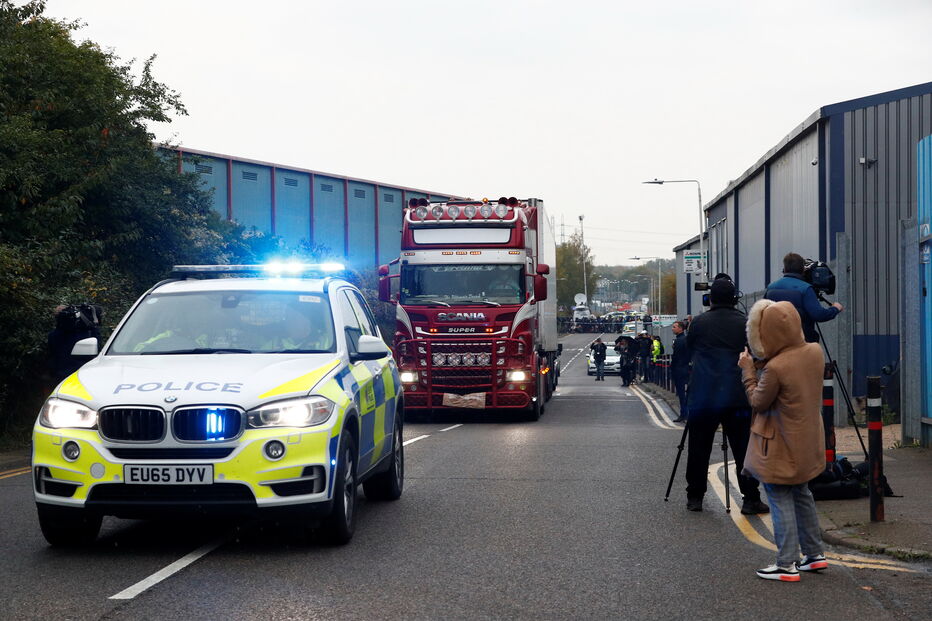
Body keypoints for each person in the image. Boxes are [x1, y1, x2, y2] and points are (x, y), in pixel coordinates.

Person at [738, 299, 828, 581]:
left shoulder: (776, 368)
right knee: (802, 493)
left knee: (778, 497)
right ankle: (814, 555)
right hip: (807, 439)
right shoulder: (814, 352)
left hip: (779, 442)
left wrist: (748, 371)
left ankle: (786, 563)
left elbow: (758, 401)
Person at [684, 275, 768, 515]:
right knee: (743, 449)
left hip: (704, 396)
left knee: (698, 448)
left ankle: (695, 497)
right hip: (736, 396)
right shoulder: (744, 323)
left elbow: (690, 349)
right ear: (734, 298)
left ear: (710, 299)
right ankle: (751, 499)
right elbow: (757, 353)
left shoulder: (698, 323)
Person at [765, 252, 843, 343]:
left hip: (775, 342)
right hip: (801, 342)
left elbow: (761, 313)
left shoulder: (771, 287)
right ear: (803, 269)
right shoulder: (805, 289)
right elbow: (818, 315)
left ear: (784, 269)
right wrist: (835, 309)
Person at [670, 321, 689, 423]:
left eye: (674, 327)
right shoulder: (686, 339)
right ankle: (684, 414)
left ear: (681, 328)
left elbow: (676, 357)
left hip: (679, 369)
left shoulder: (679, 341)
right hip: (686, 368)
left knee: (681, 394)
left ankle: (684, 414)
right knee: (685, 393)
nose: (672, 328)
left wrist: (672, 368)